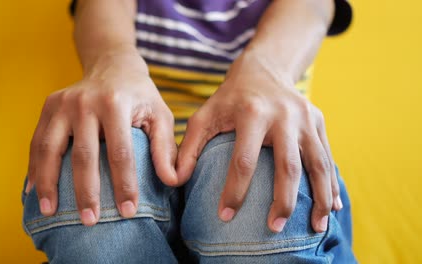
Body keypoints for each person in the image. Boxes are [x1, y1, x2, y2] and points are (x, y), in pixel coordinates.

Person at [22, 0, 355, 263]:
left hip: (262, 177)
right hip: (150, 187)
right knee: (94, 168)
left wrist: (264, 71)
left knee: (257, 177)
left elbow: (312, 5)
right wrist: (112, 65)